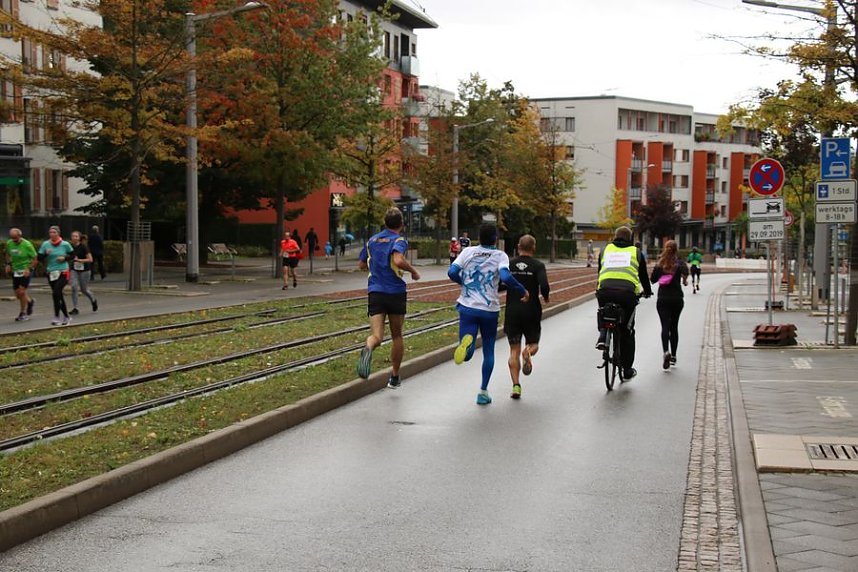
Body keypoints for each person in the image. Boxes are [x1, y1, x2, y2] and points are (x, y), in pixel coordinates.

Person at [448, 223, 528, 405]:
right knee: (488, 351)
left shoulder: (468, 252)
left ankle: (467, 343)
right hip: (489, 309)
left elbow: (452, 271)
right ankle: (483, 391)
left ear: (478, 237)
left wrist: (463, 282)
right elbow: (506, 278)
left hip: (467, 307)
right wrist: (522, 290)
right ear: (496, 239)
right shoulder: (500, 256)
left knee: (466, 353)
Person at [356, 207, 421, 388]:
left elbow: (361, 264)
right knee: (397, 336)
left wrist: (375, 265)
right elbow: (399, 260)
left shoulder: (372, 240)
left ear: (385, 223)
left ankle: (368, 347)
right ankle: (394, 377)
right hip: (395, 292)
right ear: (401, 224)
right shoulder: (399, 240)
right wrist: (413, 272)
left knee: (376, 335)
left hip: (375, 291)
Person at [595, 226, 652, 380]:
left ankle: (602, 334)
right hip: (626, 295)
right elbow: (643, 276)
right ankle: (627, 369)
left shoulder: (605, 250)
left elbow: (600, 272)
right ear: (630, 238)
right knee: (627, 331)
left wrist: (600, 288)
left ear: (615, 237)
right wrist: (647, 291)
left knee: (603, 311)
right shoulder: (636, 253)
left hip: (605, 291)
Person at [503, 234, 549, 399]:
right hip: (531, 311)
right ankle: (528, 352)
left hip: (513, 311)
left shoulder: (509, 264)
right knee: (533, 343)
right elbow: (544, 285)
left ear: (518, 246)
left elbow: (501, 284)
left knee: (513, 351)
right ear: (534, 248)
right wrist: (546, 296)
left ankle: (516, 386)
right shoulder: (538, 265)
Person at [650, 240, 689, 370]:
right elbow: (686, 273)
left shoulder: (660, 264)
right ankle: (674, 356)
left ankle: (666, 351)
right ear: (676, 250)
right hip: (677, 299)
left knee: (665, 326)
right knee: (674, 327)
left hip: (663, 299)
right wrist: (683, 278)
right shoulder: (679, 263)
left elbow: (653, 280)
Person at [38, 226, 74, 326]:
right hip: (51, 272)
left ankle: (58, 316)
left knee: (56, 293)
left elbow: (73, 255)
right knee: (58, 295)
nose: (52, 234)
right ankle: (65, 317)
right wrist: (45, 254)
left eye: (54, 232)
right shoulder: (45, 244)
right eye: (50, 232)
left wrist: (65, 258)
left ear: (58, 233)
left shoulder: (65, 244)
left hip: (63, 272)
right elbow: (39, 257)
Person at [5, 227, 37, 322]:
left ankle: (22, 313)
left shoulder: (27, 245)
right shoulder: (9, 243)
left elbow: (35, 258)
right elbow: (7, 254)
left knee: (22, 292)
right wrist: (8, 264)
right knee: (17, 294)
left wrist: (29, 268)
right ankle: (30, 302)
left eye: (16, 238)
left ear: (20, 236)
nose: (14, 241)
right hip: (16, 270)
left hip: (26, 270)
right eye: (12, 238)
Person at [69, 230, 98, 315]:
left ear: (79, 238)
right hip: (74, 270)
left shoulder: (84, 247)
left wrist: (80, 260)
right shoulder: (70, 247)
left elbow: (90, 259)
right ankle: (75, 308)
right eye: (73, 236)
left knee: (84, 289)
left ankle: (93, 299)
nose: (74, 238)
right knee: (74, 287)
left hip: (84, 271)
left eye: (76, 236)